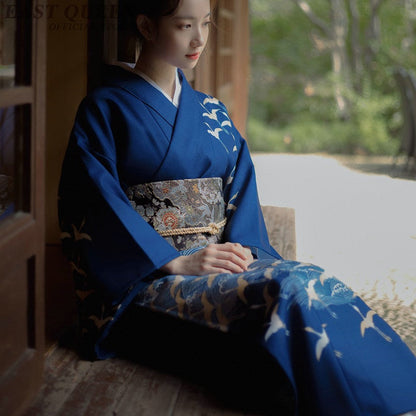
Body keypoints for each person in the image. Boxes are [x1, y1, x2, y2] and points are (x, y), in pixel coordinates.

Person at [58, 0, 416, 414]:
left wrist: (246, 252)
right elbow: (91, 199)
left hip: (213, 264)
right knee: (289, 290)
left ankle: (393, 396)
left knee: (308, 279)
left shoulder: (210, 111)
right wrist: (171, 262)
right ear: (146, 26)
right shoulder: (104, 108)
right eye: (184, 25)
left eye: (206, 24)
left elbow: (240, 186)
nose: (199, 39)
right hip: (145, 278)